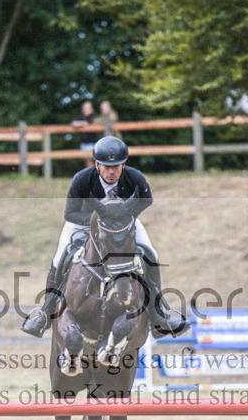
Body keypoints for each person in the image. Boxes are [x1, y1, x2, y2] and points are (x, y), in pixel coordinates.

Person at [21, 136, 187, 339]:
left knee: (151, 254)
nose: (111, 171)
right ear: (97, 164)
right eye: (107, 166)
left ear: (123, 165)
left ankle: (159, 317)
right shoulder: (82, 179)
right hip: (81, 223)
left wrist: (124, 216)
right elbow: (70, 213)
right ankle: (44, 314)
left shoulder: (134, 177)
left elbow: (147, 200)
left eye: (116, 167)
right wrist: (98, 221)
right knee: (60, 256)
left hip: (122, 224)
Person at [71, 100, 97, 167]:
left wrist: (80, 124)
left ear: (91, 109)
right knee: (87, 161)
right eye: (84, 108)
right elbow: (73, 123)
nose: (85, 110)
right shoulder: (81, 117)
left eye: (87, 108)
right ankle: (91, 175)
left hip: (92, 142)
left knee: (93, 160)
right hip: (84, 142)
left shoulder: (94, 117)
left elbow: (87, 123)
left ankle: (94, 174)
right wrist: (80, 123)